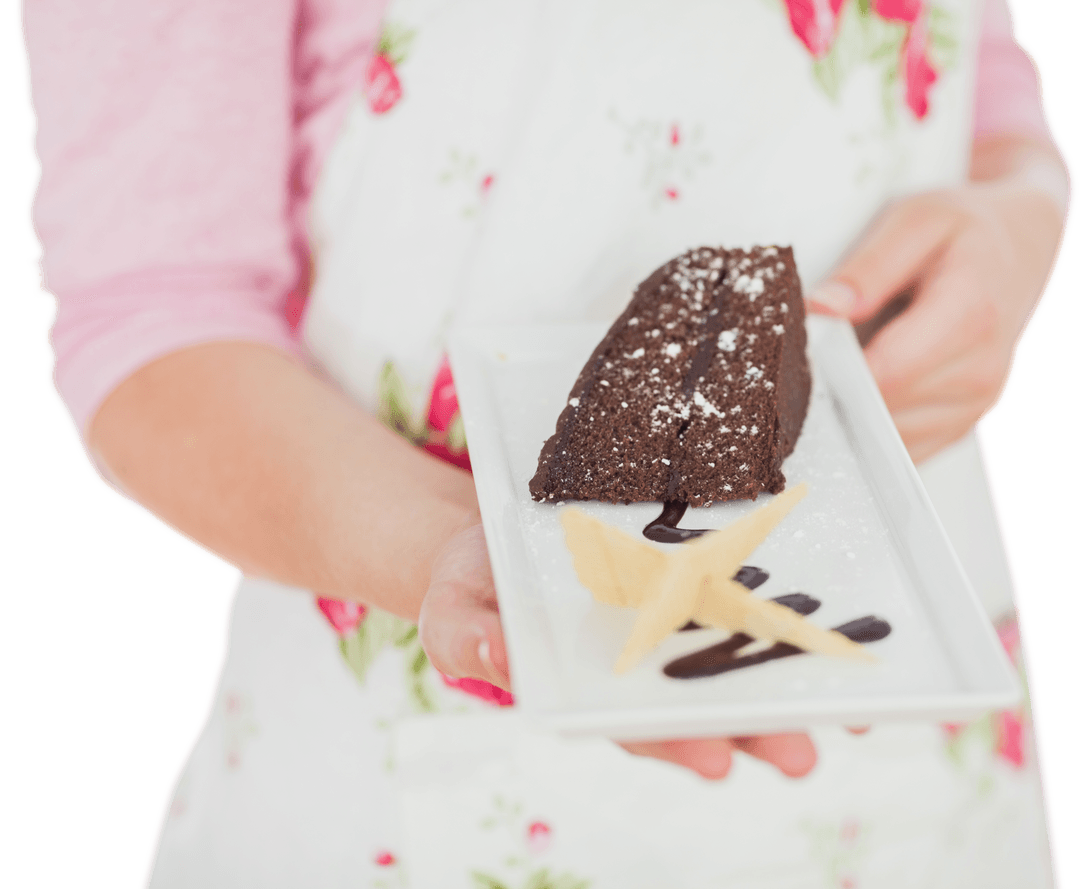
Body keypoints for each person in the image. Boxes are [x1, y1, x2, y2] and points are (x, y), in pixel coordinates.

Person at [22, 0, 1071, 885]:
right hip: (414, 779)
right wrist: (452, 551)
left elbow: (988, 90)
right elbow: (154, 319)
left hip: (921, 751)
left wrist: (1020, 211)